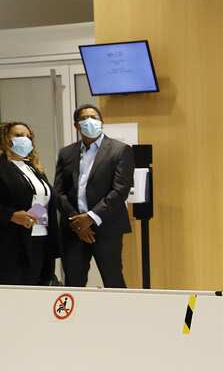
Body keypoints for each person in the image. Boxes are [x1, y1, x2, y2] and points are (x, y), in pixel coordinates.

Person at [54, 105, 135, 288]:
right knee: (73, 282)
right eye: (84, 118)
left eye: (94, 117)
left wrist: (90, 218)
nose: (90, 121)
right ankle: (75, 317)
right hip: (73, 229)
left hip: (107, 226)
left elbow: (120, 189)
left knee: (113, 279)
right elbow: (59, 192)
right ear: (77, 125)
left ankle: (120, 316)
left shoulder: (120, 150)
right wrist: (77, 222)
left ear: (101, 122)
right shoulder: (66, 153)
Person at [0, 121, 61, 285]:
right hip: (12, 243)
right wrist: (11, 215)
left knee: (39, 290)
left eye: (28, 136)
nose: (25, 140)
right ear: (5, 139)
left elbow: (44, 200)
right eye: (18, 135)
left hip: (41, 239)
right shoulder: (3, 166)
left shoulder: (33, 167)